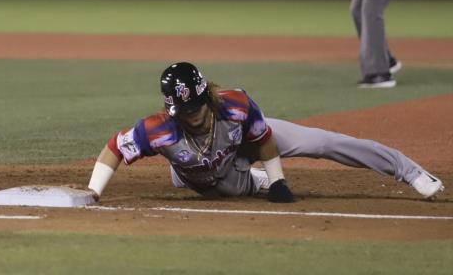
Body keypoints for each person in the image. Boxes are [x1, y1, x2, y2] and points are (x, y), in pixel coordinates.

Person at [86, 62, 444, 202]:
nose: (190, 116)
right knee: (222, 188)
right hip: (210, 173)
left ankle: (410, 171)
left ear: (206, 96)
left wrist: (278, 181)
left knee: (323, 141)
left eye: (194, 108)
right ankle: (253, 181)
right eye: (183, 111)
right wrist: (93, 192)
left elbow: (264, 140)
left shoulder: (236, 105)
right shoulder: (158, 130)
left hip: (245, 141)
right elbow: (115, 147)